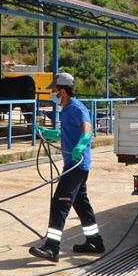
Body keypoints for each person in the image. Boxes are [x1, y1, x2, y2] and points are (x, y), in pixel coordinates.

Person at [29, 72, 103, 263]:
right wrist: (47, 133)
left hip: (77, 165)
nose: (51, 94)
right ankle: (95, 242)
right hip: (72, 165)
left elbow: (87, 128)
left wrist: (81, 144)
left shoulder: (77, 108)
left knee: (60, 204)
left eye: (53, 90)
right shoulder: (66, 109)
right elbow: (64, 135)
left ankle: (52, 248)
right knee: (81, 204)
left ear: (62, 91)